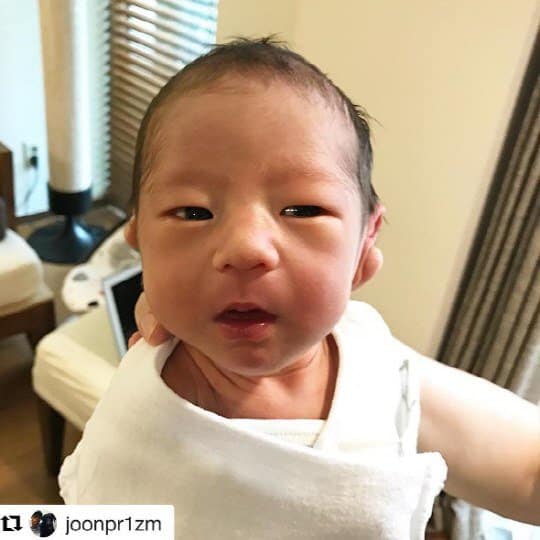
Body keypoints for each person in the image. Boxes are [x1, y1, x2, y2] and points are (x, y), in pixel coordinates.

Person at [59, 38, 540, 537]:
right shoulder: (134, 425)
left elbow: (528, 472)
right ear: (140, 243)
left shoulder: (373, 358)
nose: (246, 248)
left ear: (364, 246)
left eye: (302, 210)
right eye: (193, 212)